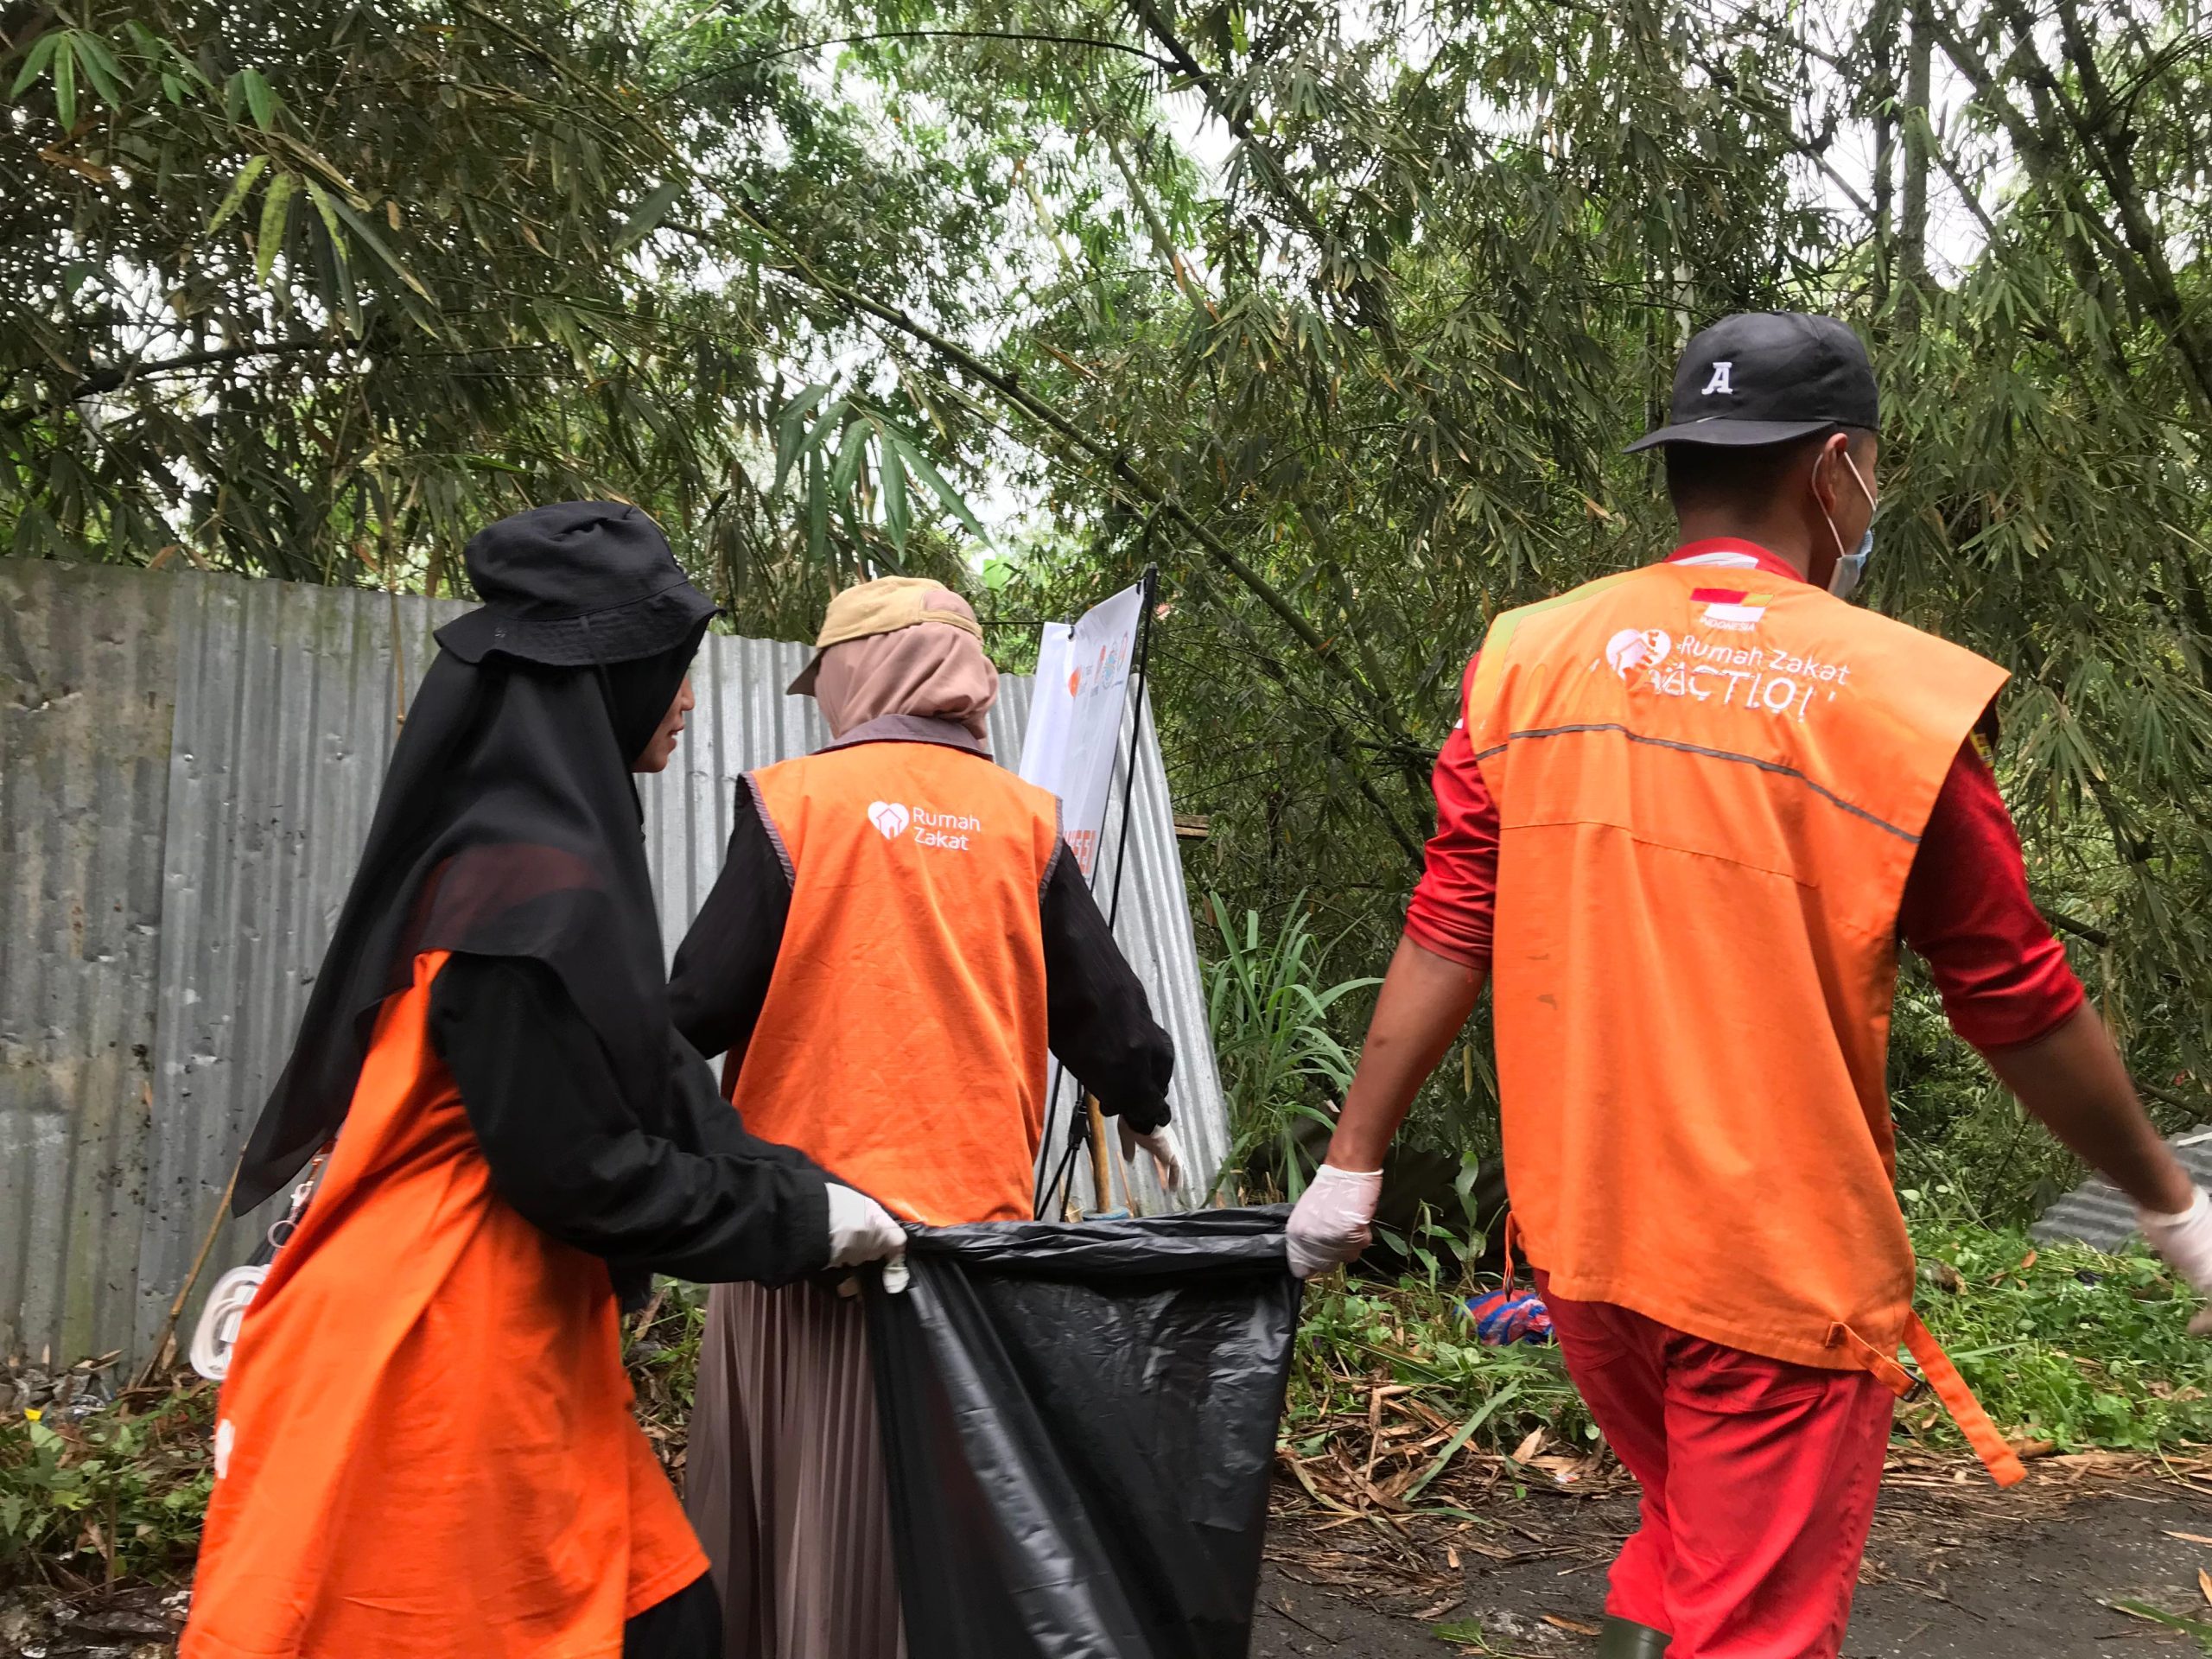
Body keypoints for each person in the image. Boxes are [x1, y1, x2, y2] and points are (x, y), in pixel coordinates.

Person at [1284, 315, 2212, 1659]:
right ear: (1836, 469)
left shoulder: (1527, 657)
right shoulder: (1896, 699)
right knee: (1751, 1626)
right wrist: (2167, 1200)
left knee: (1687, 1546)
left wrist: (1350, 1166)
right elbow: (2015, 995)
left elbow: (1449, 922)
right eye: (1872, 469)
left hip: (1588, 1251)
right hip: (1773, 1278)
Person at [181, 503, 906, 1659]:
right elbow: (583, 1173)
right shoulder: (522, 894)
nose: (685, 699)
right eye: (669, 668)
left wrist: (809, 1189)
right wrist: (799, 1226)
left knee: (662, 1616)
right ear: (601, 680)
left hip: (512, 1315)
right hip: (435, 1334)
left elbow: (663, 1079)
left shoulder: (539, 861)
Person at [666, 574, 1179, 1659]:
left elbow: (696, 1003)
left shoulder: (795, 804)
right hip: (966, 1242)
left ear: (859, 674)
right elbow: (1100, 1001)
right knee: (935, 1498)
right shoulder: (1025, 822)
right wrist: (1144, 1099)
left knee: (805, 1489)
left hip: (808, 1228)